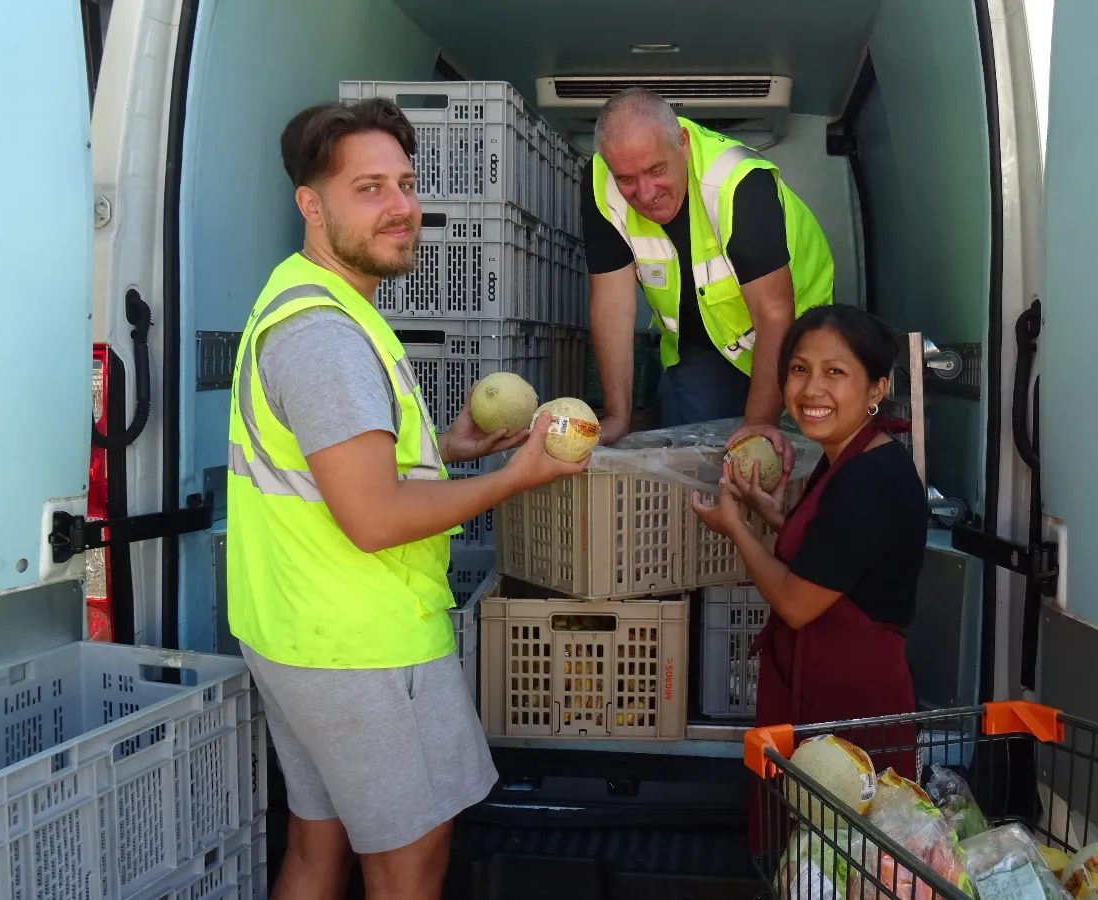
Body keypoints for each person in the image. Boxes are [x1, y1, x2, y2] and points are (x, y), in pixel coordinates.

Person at [225, 97, 589, 900]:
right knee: (409, 867)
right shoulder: (324, 335)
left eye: (405, 183)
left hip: (299, 632)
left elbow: (337, 471)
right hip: (363, 645)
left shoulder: (305, 299)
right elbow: (375, 518)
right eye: (369, 189)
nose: (401, 208)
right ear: (311, 205)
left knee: (317, 848)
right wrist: (513, 477)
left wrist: (450, 451)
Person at [689, 304, 929, 844]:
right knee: (813, 860)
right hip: (823, 687)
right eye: (799, 369)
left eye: (835, 372)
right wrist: (771, 512)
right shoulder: (852, 455)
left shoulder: (869, 477)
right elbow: (839, 553)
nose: (811, 388)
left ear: (877, 387)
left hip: (846, 705)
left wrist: (738, 530)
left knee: (839, 859)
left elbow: (797, 602)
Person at [582, 87, 835, 477]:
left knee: (789, 459)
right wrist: (618, 415)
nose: (645, 194)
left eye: (656, 170)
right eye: (627, 179)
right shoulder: (600, 182)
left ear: (682, 144)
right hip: (703, 344)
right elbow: (612, 305)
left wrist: (759, 421)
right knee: (702, 470)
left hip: (800, 332)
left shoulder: (736, 180)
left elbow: (775, 312)